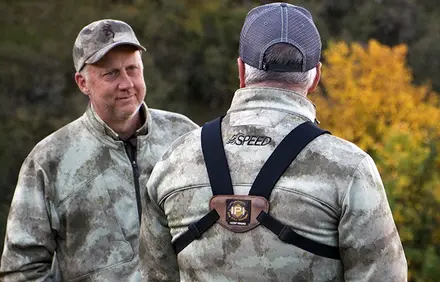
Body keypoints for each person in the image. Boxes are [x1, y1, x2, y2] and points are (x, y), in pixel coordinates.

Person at [140, 2, 408, 282]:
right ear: (315, 77)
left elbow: (153, 274)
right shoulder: (349, 168)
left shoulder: (173, 161)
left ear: (241, 71)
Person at [0, 19, 198, 281]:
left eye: (132, 69)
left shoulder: (185, 137)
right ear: (83, 83)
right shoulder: (49, 160)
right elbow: (21, 269)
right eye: (111, 73)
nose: (127, 83)